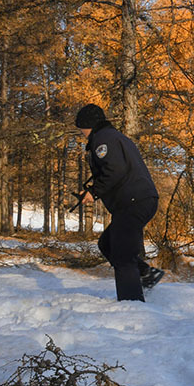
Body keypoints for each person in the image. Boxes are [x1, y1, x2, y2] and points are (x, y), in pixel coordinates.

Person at [74, 104, 162, 302]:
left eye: (81, 128)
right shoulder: (114, 137)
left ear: (88, 124)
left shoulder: (102, 139)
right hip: (140, 200)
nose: (81, 133)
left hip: (133, 201)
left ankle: (131, 304)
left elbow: (115, 170)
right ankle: (146, 274)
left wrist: (93, 192)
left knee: (122, 255)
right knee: (107, 243)